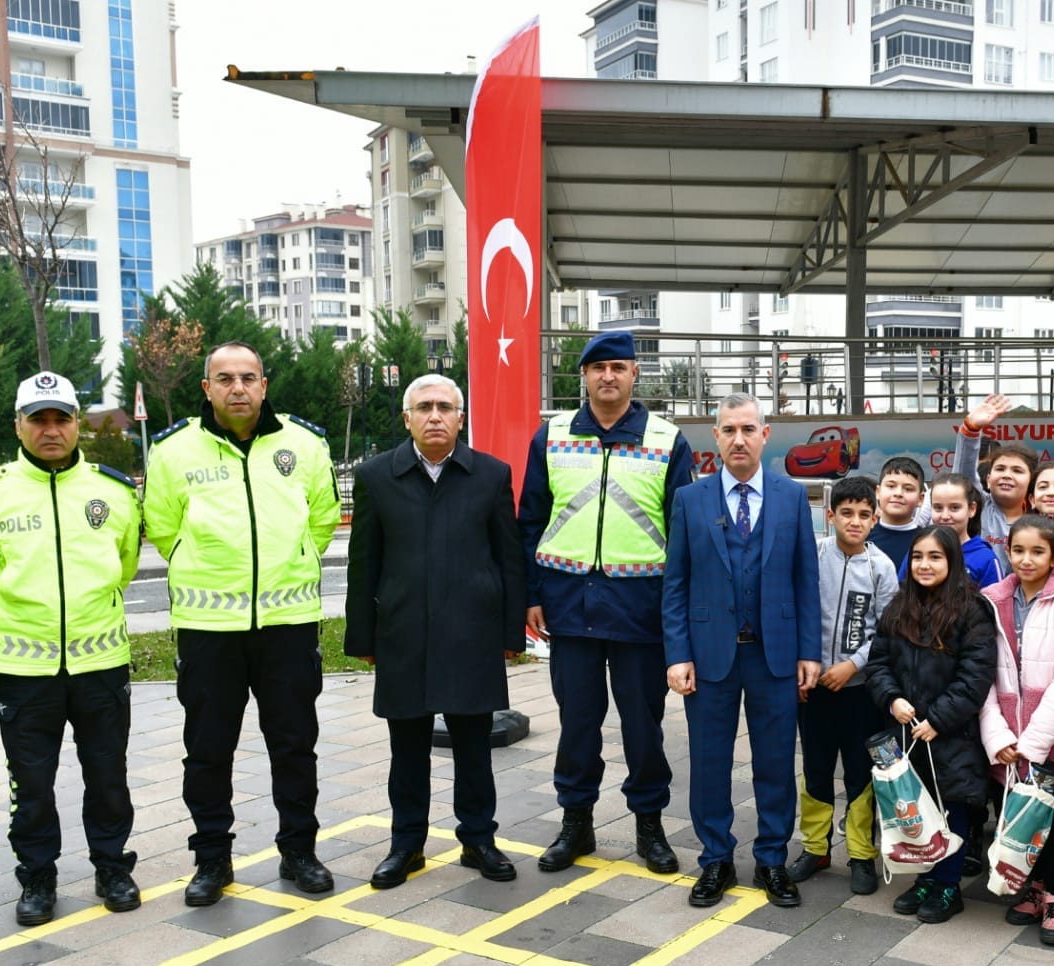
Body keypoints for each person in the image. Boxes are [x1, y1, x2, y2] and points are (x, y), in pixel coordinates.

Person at [145, 342, 340, 907]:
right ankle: (212, 858)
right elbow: (161, 524)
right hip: (209, 630)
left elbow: (323, 517)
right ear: (206, 388)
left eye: (248, 378)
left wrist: (297, 556)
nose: (237, 388)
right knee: (208, 751)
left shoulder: (305, 444)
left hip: (288, 625)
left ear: (264, 384)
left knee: (295, 746)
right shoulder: (174, 450)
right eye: (224, 378)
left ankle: (298, 851)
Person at [0, 371, 143, 926]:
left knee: (107, 775)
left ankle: (112, 866)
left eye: (62, 418)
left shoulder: (112, 491)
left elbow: (124, 566)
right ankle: (37, 876)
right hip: (22, 668)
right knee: (30, 783)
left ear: (78, 423)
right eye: (39, 419)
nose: (52, 430)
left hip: (100, 662)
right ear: (19, 425)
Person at [519, 330, 695, 876]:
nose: (608, 377)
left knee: (644, 728)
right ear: (585, 377)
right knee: (576, 725)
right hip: (569, 608)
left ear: (634, 374)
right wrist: (530, 595)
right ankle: (577, 824)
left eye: (619, 367)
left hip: (641, 613)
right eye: (598, 369)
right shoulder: (551, 437)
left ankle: (649, 826)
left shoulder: (668, 440)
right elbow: (529, 522)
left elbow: (683, 535)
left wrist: (676, 615)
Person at [345, 375, 527, 890]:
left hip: (472, 637)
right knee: (407, 751)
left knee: (474, 748)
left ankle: (478, 839)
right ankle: (407, 844)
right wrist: (363, 637)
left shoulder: (490, 476)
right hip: (402, 639)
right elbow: (365, 563)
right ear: (407, 418)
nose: (434, 416)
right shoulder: (378, 477)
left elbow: (508, 558)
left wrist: (511, 631)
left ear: (460, 417)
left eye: (445, 407)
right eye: (423, 407)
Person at [664, 394, 822, 910]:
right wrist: (677, 653)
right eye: (728, 429)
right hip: (709, 655)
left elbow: (805, 579)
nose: (738, 439)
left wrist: (809, 651)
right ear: (715, 436)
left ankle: (772, 858)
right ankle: (715, 858)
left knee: (775, 762)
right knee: (709, 763)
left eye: (747, 429)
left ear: (765, 434)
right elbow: (676, 583)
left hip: (774, 655)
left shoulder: (791, 497)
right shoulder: (691, 500)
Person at [865, 525, 998, 923]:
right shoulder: (898, 606)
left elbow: (976, 675)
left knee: (950, 807)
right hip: (905, 730)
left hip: (951, 733)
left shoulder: (972, 609)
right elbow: (878, 663)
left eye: (935, 557)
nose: (925, 564)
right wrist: (893, 699)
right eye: (919, 556)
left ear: (952, 561)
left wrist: (938, 718)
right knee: (916, 807)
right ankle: (926, 876)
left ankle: (948, 885)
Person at [982, 515, 1054, 947]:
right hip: (1007, 738)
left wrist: (1033, 743)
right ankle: (1031, 887)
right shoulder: (991, 601)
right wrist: (998, 737)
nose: (1026, 559)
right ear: (1007, 551)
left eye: (1037, 551)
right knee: (1016, 819)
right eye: (1018, 550)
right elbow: (982, 677)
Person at [788, 476, 897, 893]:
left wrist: (852, 665)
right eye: (846, 513)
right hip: (812, 687)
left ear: (875, 518)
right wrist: (805, 665)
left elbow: (886, 632)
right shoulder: (812, 555)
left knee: (860, 771)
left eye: (864, 515)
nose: (855, 522)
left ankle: (861, 854)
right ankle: (815, 848)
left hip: (859, 693)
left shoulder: (882, 567)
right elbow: (797, 613)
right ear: (830, 515)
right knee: (815, 768)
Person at [951, 393, 1031, 570]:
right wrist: (971, 429)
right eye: (1000, 469)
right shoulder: (979, 507)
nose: (1007, 475)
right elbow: (963, 474)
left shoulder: (1039, 518)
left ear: (1031, 481)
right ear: (988, 480)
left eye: (1017, 471)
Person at [922, 471, 1005, 587]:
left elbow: (995, 602)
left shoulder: (985, 558)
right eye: (938, 508)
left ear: (972, 509)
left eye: (955, 508)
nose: (945, 516)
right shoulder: (919, 551)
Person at [868, 456, 927, 568]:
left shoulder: (927, 541)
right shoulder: (863, 537)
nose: (898, 493)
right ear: (878, 492)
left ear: (920, 499)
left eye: (908, 489)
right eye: (891, 486)